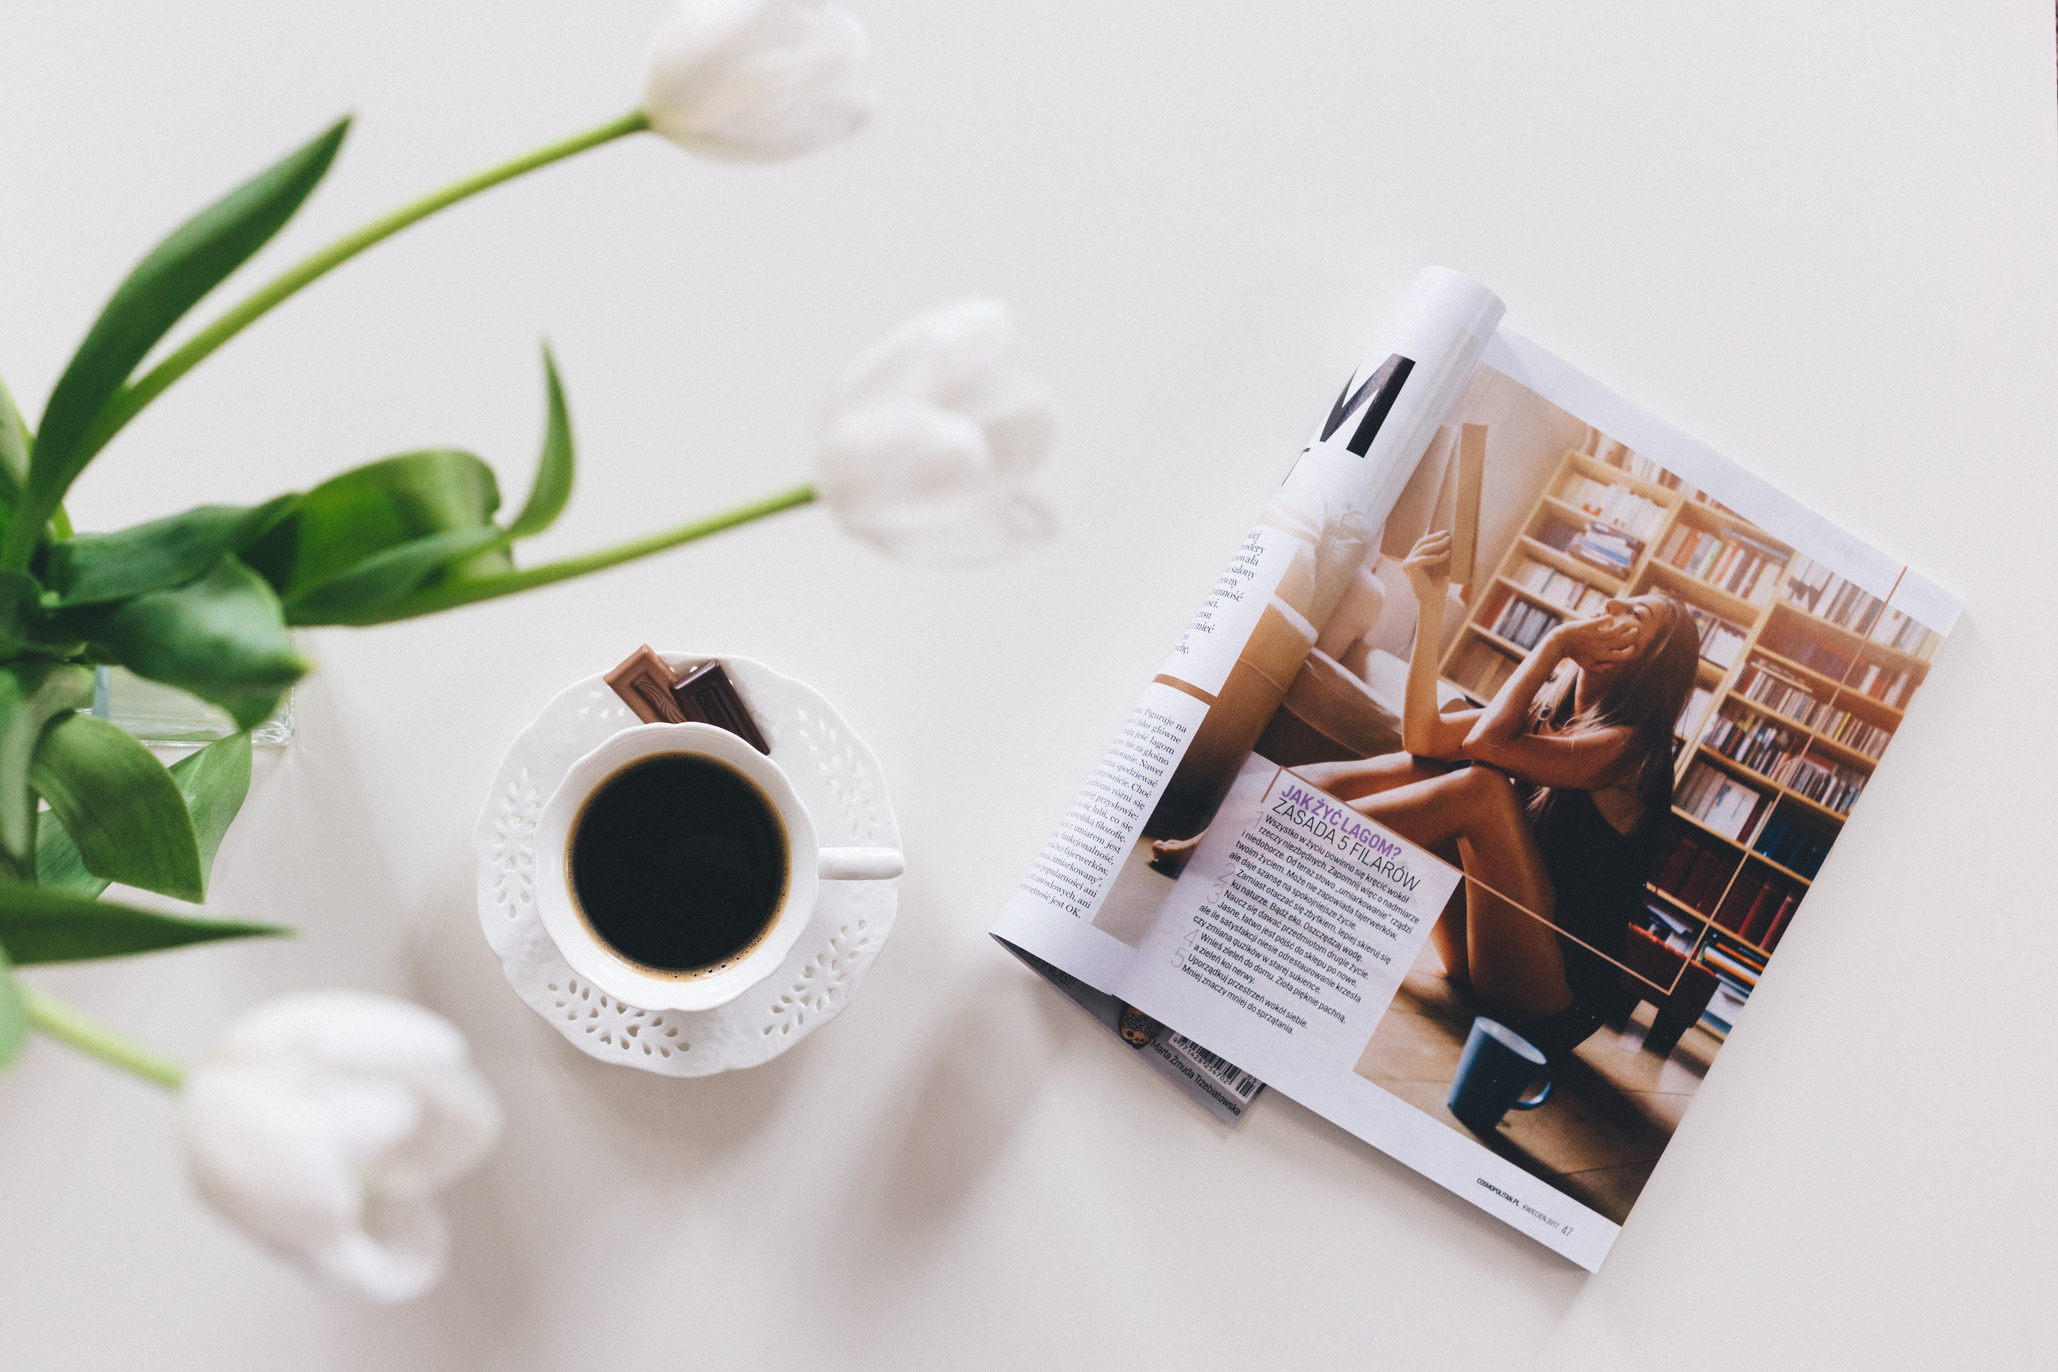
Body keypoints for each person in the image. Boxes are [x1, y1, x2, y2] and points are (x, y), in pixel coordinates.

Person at [1294, 530, 1700, 1057]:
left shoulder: (1632, 751)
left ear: (1651, 662)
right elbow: (1422, 737)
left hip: (1555, 1000)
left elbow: (1485, 747)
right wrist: (1432, 604)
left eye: (1634, 615)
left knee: (1482, 788)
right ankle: (1250, 827)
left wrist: (1553, 645)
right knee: (1429, 765)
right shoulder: (1549, 714)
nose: (1612, 602)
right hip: (1485, 954)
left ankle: (1281, 852)